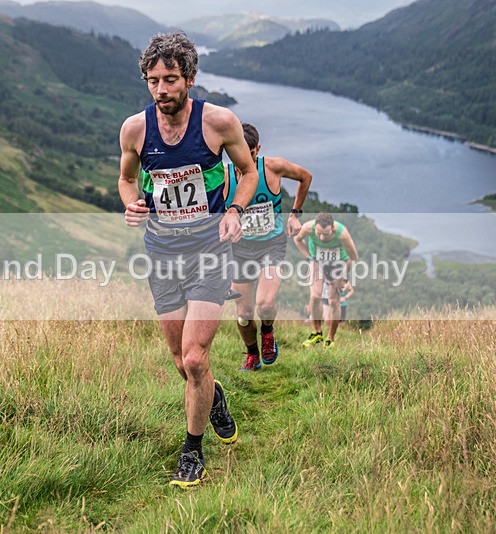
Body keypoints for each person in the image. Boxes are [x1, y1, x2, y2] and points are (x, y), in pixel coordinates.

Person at [118, 32, 259, 488]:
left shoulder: (218, 122)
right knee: (182, 362)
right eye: (153, 81)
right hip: (162, 254)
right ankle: (213, 397)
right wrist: (132, 204)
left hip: (209, 252)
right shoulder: (135, 129)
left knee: (197, 359)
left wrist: (235, 211)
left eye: (171, 79)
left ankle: (192, 452)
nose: (161, 90)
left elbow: (248, 172)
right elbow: (126, 179)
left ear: (190, 78)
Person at [224, 123, 313, 371]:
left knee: (264, 304)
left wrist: (295, 214)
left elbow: (305, 177)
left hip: (271, 245)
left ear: (258, 149)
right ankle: (252, 355)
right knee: (244, 314)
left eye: (250, 153)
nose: (244, 159)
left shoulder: (273, 167)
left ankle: (267, 331)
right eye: (238, 153)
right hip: (239, 249)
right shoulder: (223, 175)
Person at [293, 212, 358, 348]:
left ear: (332, 228)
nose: (322, 238)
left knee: (333, 301)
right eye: (319, 233)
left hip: (338, 265)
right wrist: (310, 258)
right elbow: (297, 240)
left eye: (326, 234)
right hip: (318, 262)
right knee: (315, 297)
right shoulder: (307, 228)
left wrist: (342, 276)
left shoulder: (342, 234)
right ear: (315, 228)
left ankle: (330, 339)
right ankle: (317, 333)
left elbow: (353, 257)